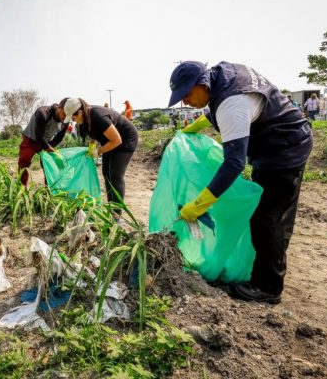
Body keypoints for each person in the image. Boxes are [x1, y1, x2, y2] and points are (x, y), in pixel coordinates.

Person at [168, 61, 313, 304]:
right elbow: (233, 106)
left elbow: (233, 164)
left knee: (266, 218)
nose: (185, 102)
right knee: (274, 214)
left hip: (284, 149)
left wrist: (199, 204)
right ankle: (271, 263)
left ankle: (268, 286)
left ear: (201, 84)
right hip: (285, 140)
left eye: (187, 95)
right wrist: (201, 124)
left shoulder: (231, 103)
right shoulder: (222, 75)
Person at [63, 97, 138, 216]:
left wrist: (98, 152)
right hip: (109, 140)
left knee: (115, 175)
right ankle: (111, 209)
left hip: (125, 139)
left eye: (74, 117)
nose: (74, 121)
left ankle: (117, 215)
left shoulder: (98, 116)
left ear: (80, 112)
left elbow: (117, 140)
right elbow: (93, 134)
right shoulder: (84, 119)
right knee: (106, 173)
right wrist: (91, 148)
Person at [18, 101, 71, 186]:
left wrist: (50, 147)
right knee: (24, 161)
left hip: (46, 142)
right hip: (31, 139)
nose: (65, 119)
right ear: (59, 108)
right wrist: (47, 147)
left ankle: (49, 189)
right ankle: (22, 187)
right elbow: (38, 135)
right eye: (64, 115)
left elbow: (59, 137)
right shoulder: (43, 113)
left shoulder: (65, 120)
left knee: (48, 165)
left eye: (68, 117)